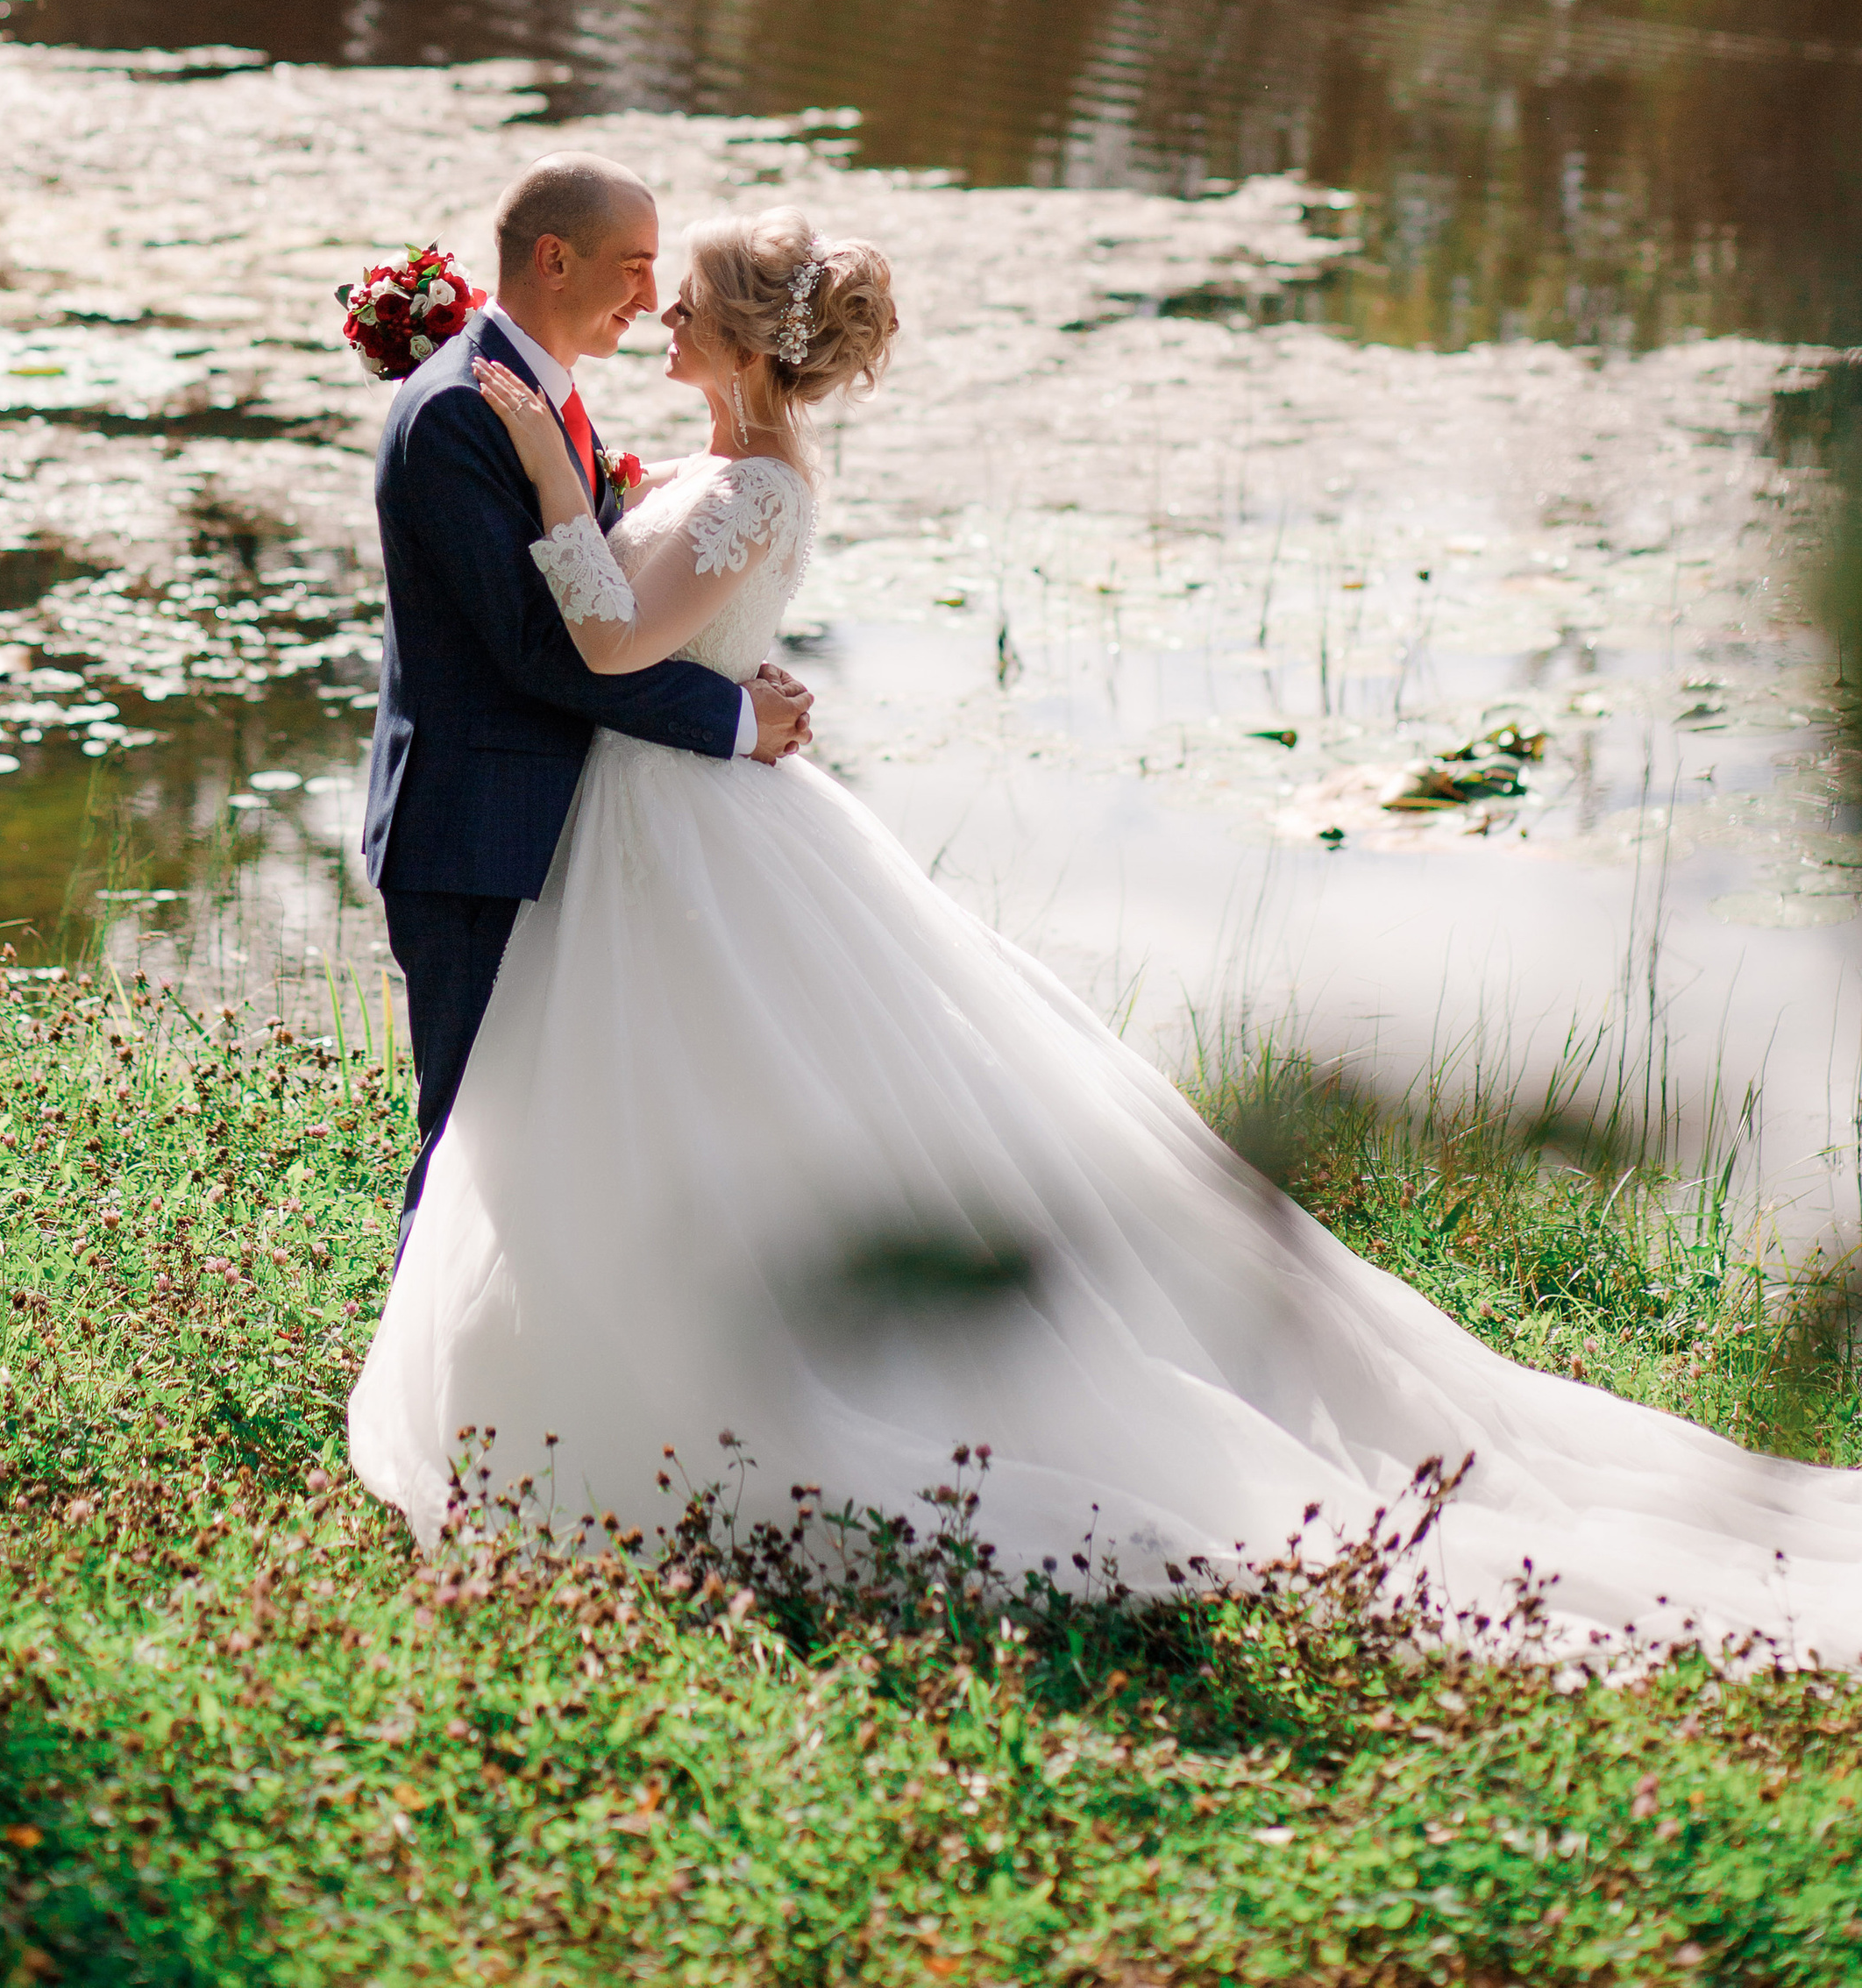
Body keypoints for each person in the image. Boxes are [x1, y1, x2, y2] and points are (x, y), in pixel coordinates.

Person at [350, 199, 1862, 1665]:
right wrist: (560, 476)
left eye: (683, 298)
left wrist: (556, 484)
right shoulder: (716, 460)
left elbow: (610, 634)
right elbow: (616, 599)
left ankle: (729, 1397)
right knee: (659, 1107)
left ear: (743, 341)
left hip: (690, 837)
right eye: (649, 285)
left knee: (735, 1096)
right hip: (655, 824)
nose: (658, 311)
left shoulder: (757, 490)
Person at [362, 152, 814, 1258]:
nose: (649, 300)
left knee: (556, 1131)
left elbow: (607, 587)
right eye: (632, 267)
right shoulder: (465, 415)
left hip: (552, 826)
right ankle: (429, 1394)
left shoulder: (539, 398)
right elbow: (539, 650)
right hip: (473, 831)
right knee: (471, 1138)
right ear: (554, 260)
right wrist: (732, 718)